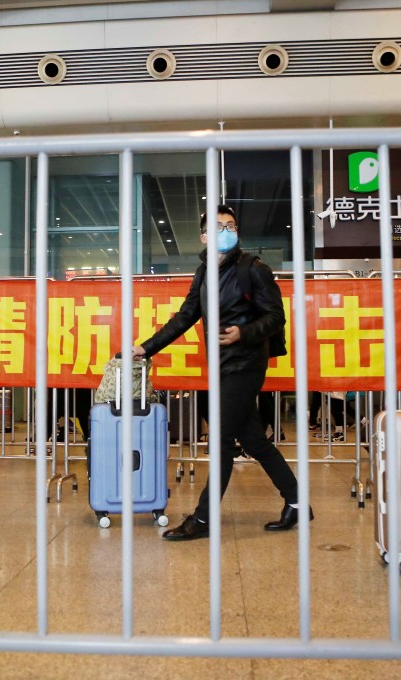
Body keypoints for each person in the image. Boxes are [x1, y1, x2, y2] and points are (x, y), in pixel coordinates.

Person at [133, 205, 310, 541]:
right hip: (222, 364)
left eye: (231, 226)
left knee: (223, 441)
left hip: (246, 363)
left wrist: (243, 333)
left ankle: (202, 519)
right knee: (255, 441)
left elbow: (276, 317)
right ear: (203, 236)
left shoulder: (254, 269)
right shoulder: (203, 273)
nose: (226, 231)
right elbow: (185, 317)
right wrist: (146, 347)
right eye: (217, 227)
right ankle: (298, 502)